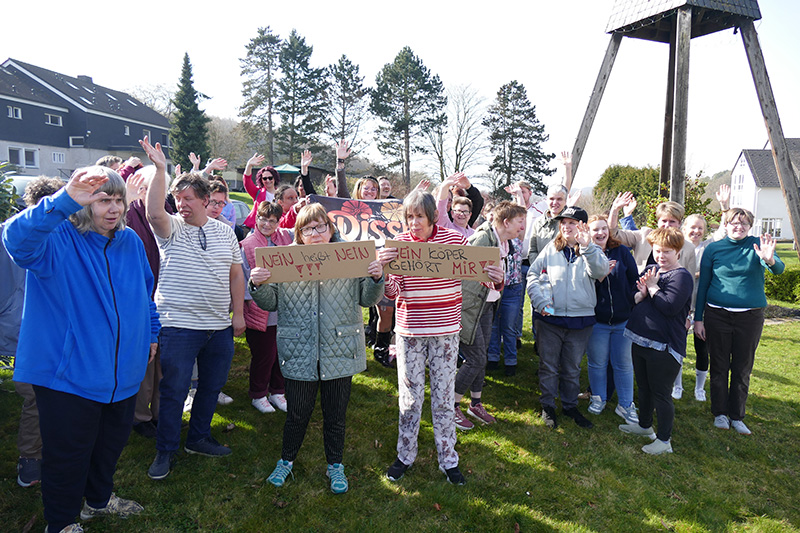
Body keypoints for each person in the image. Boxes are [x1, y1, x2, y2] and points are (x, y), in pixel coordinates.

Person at [3, 166, 159, 532]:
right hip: (68, 378)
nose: (115, 208)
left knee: (108, 449)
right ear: (83, 202)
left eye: (119, 199)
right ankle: (60, 523)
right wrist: (62, 201)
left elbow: (145, 294)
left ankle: (98, 502)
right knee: (67, 458)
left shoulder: (131, 241)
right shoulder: (57, 238)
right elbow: (15, 240)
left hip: (123, 375)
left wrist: (151, 333)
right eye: (104, 199)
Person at [250, 203, 385, 494]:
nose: (316, 233)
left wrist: (376, 278)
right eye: (309, 228)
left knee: (336, 415)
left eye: (321, 226)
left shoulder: (351, 257)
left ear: (330, 228)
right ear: (299, 234)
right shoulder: (286, 261)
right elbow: (270, 302)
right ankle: (286, 460)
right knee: (297, 412)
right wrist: (257, 285)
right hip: (300, 349)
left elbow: (366, 298)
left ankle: (335, 464)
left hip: (339, 348)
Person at [140, 137, 246, 481]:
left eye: (188, 198)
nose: (181, 204)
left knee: (211, 387)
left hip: (219, 327)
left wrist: (239, 314)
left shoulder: (225, 232)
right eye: (177, 198)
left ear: (205, 200)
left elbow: (235, 273)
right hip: (178, 325)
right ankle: (165, 450)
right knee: (173, 391)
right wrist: (160, 169)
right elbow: (154, 211)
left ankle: (198, 438)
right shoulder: (170, 229)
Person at [377, 191, 470, 486]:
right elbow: (393, 293)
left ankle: (448, 459)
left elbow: (482, 273)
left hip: (445, 332)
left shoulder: (455, 242)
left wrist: (496, 274)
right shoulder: (400, 245)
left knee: (443, 398)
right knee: (410, 399)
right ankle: (405, 455)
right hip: (411, 332)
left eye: (419, 216)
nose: (413, 223)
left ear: (433, 216)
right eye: (409, 217)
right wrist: (383, 271)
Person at [694, 208, 784, 435]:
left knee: (742, 368)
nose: (739, 227)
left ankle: (737, 415)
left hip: (749, 318)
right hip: (717, 315)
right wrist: (698, 319)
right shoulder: (714, 249)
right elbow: (703, 285)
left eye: (744, 223)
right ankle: (720, 413)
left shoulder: (757, 244)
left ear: (749, 226)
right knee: (719, 366)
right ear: (725, 224)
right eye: (734, 222)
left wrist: (769, 259)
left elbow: (779, 269)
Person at [3, 177, 64, 488]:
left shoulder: (64, 235)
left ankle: (53, 449)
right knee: (35, 397)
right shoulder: (11, 234)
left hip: (52, 331)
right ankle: (30, 459)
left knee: (53, 396)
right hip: (23, 332)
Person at [527, 206, 608, 430]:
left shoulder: (593, 251)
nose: (566, 226)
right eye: (563, 222)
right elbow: (533, 275)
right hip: (549, 320)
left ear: (582, 226)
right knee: (549, 365)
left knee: (572, 368)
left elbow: (600, 272)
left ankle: (570, 406)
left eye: (572, 222)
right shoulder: (550, 249)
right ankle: (548, 405)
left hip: (580, 321)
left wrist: (587, 247)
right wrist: (540, 301)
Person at [619, 228, 694, 454]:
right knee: (643, 387)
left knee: (660, 393)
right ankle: (644, 426)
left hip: (664, 344)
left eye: (667, 252)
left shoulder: (682, 277)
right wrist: (641, 293)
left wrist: (652, 288)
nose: (661, 256)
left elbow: (670, 307)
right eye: (658, 250)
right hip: (640, 337)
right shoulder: (651, 269)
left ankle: (664, 440)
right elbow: (634, 298)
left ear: (678, 252)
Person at [454, 201, 523, 430]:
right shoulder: (482, 239)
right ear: (506, 222)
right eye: (519, 222)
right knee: (475, 359)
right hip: (469, 308)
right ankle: (450, 406)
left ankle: (475, 404)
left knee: (481, 355)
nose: (522, 227)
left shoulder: (502, 242)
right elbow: (461, 276)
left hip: (486, 305)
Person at [585, 214, 640, 424]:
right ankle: (598, 398)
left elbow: (634, 280)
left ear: (609, 231)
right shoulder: (585, 254)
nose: (600, 233)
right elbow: (583, 286)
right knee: (597, 362)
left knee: (624, 364)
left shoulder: (622, 252)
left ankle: (625, 405)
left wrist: (633, 301)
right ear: (588, 234)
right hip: (597, 321)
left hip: (623, 320)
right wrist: (600, 275)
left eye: (603, 229)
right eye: (595, 230)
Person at [240, 201, 292, 414]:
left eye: (272, 221)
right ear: (256, 218)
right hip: (259, 310)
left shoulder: (285, 239)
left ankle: (277, 391)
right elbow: (243, 278)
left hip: (284, 308)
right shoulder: (247, 245)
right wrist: (249, 304)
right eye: (263, 219)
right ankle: (258, 393)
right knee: (264, 355)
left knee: (282, 352)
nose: (267, 224)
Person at [243, 152, 279, 229]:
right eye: (264, 178)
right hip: (257, 228)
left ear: (274, 178)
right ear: (261, 180)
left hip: (275, 228)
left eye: (270, 178)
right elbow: (247, 181)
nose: (268, 180)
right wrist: (249, 165)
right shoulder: (258, 192)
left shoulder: (281, 194)